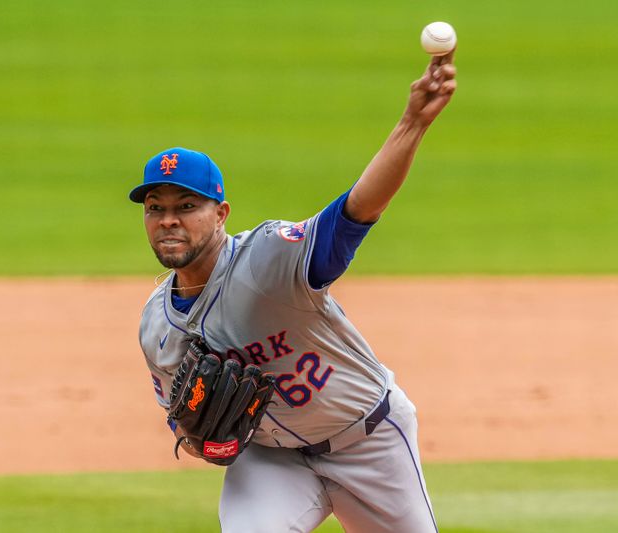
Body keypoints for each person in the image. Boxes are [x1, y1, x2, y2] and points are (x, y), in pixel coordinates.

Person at [130, 51, 457, 533]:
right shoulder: (156, 325)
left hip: (367, 442)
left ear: (221, 214)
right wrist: (204, 441)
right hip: (270, 461)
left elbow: (355, 212)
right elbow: (184, 424)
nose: (168, 220)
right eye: (155, 208)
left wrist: (413, 121)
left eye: (186, 205)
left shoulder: (268, 259)